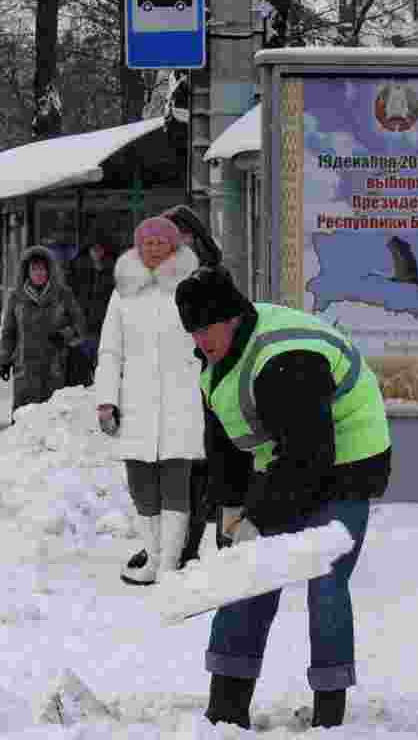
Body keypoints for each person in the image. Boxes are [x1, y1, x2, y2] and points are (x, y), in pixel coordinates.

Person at [174, 265, 392, 730]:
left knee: (325, 579)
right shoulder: (215, 366)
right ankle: (226, 711)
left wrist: (260, 517)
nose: (201, 339)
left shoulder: (285, 358)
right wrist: (232, 511)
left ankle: (330, 718)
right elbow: (226, 446)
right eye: (192, 330)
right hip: (291, 460)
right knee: (246, 574)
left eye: (207, 327)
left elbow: (310, 459)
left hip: (349, 462)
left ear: (232, 318)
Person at [93, 215, 204, 585]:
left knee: (176, 481)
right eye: (147, 242)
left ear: (175, 246)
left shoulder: (192, 287)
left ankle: (170, 564)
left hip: (181, 398)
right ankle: (152, 559)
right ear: (137, 248)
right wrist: (106, 400)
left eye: (161, 242)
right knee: (141, 481)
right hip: (136, 399)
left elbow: (207, 344)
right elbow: (110, 350)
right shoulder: (123, 291)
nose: (154, 248)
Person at [158, 204, 222, 568]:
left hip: (202, 374)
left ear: (191, 234)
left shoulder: (208, 273)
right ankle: (170, 543)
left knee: (201, 462)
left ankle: (192, 543)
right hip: (172, 377)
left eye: (178, 235)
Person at [0, 246, 87, 414]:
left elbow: (80, 325)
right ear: (27, 272)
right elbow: (9, 332)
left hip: (55, 369)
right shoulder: (16, 297)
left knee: (52, 421)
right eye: (34, 269)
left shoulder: (63, 295)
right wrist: (4, 360)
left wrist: (64, 336)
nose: (39, 273)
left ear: (49, 271)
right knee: (23, 421)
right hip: (24, 371)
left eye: (42, 269)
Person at [66, 236, 117, 384]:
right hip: (82, 329)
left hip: (103, 329)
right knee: (81, 377)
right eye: (93, 248)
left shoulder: (112, 269)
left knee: (103, 374)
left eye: (100, 248)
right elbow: (70, 298)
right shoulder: (77, 268)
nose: (96, 252)